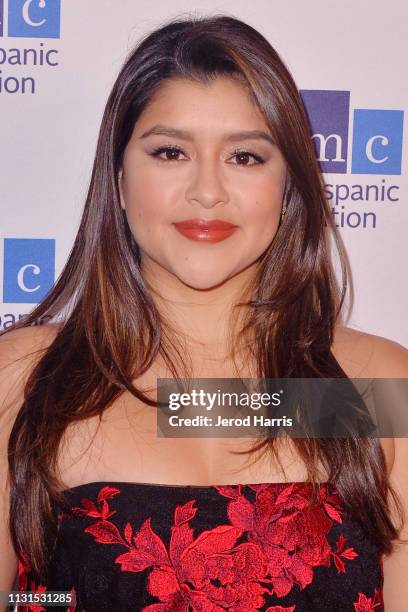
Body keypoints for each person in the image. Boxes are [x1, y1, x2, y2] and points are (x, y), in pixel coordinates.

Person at [0, 13, 407, 612]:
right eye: (170, 151)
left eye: (245, 157)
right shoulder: (22, 378)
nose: (207, 191)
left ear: (289, 183)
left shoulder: (381, 386)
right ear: (118, 176)